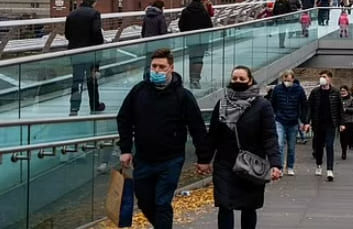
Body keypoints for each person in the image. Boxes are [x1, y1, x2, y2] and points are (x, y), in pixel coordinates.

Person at [117, 48, 212, 229]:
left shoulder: (183, 96)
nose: (157, 71)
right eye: (154, 66)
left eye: (162, 67)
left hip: (171, 159)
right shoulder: (139, 91)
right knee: (145, 202)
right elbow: (124, 118)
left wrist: (204, 158)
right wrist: (126, 148)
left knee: (162, 202)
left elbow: (197, 127)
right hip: (143, 158)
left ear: (171, 68)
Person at [208, 66, 282, 229]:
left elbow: (269, 136)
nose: (238, 82)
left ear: (250, 80)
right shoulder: (222, 104)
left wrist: (275, 163)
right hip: (225, 163)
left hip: (251, 164)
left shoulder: (262, 105)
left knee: (249, 206)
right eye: (235, 78)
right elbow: (213, 134)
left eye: (242, 79)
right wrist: (204, 160)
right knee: (224, 204)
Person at [65, 0, 105, 116]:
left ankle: (74, 107)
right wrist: (100, 44)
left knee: (77, 79)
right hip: (90, 51)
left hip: (75, 51)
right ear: (93, 3)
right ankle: (94, 105)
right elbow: (96, 32)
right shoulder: (94, 14)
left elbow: (67, 34)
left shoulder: (72, 14)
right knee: (92, 78)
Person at [303, 70, 345, 181]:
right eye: (321, 76)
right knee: (318, 146)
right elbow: (310, 107)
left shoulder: (335, 92)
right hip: (318, 123)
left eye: (324, 76)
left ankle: (330, 170)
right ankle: (319, 164)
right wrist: (307, 122)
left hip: (331, 123)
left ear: (329, 79)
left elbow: (340, 108)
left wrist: (342, 123)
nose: (322, 78)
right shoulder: (315, 92)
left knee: (330, 145)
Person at [271, 70, 308, 176]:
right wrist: (274, 115)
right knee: (279, 144)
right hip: (280, 119)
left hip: (293, 120)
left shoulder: (299, 90)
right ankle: (280, 167)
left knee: (291, 147)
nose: (287, 81)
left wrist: (304, 120)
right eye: (285, 79)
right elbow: (272, 103)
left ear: (293, 79)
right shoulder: (277, 89)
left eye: (289, 79)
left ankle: (290, 166)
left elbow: (304, 104)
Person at [178, 0, 213, 89]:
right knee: (199, 59)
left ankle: (191, 79)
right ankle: (196, 80)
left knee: (192, 58)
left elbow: (181, 25)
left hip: (190, 38)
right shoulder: (204, 12)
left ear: (191, 0)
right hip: (202, 39)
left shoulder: (185, 11)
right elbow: (209, 26)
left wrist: (186, 32)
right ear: (200, 0)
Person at [141, 0, 169, 79]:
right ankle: (156, 78)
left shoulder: (146, 16)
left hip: (148, 42)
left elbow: (143, 31)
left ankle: (146, 78)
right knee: (158, 62)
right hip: (158, 44)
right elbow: (163, 31)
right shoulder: (160, 17)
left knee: (148, 61)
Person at [339, 85, 353, 160]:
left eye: (344, 91)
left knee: (347, 136)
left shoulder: (352, 99)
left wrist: (346, 109)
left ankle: (344, 150)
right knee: (342, 137)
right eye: (341, 91)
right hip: (340, 121)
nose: (342, 92)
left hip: (349, 120)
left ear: (347, 91)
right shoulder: (338, 99)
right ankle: (343, 150)